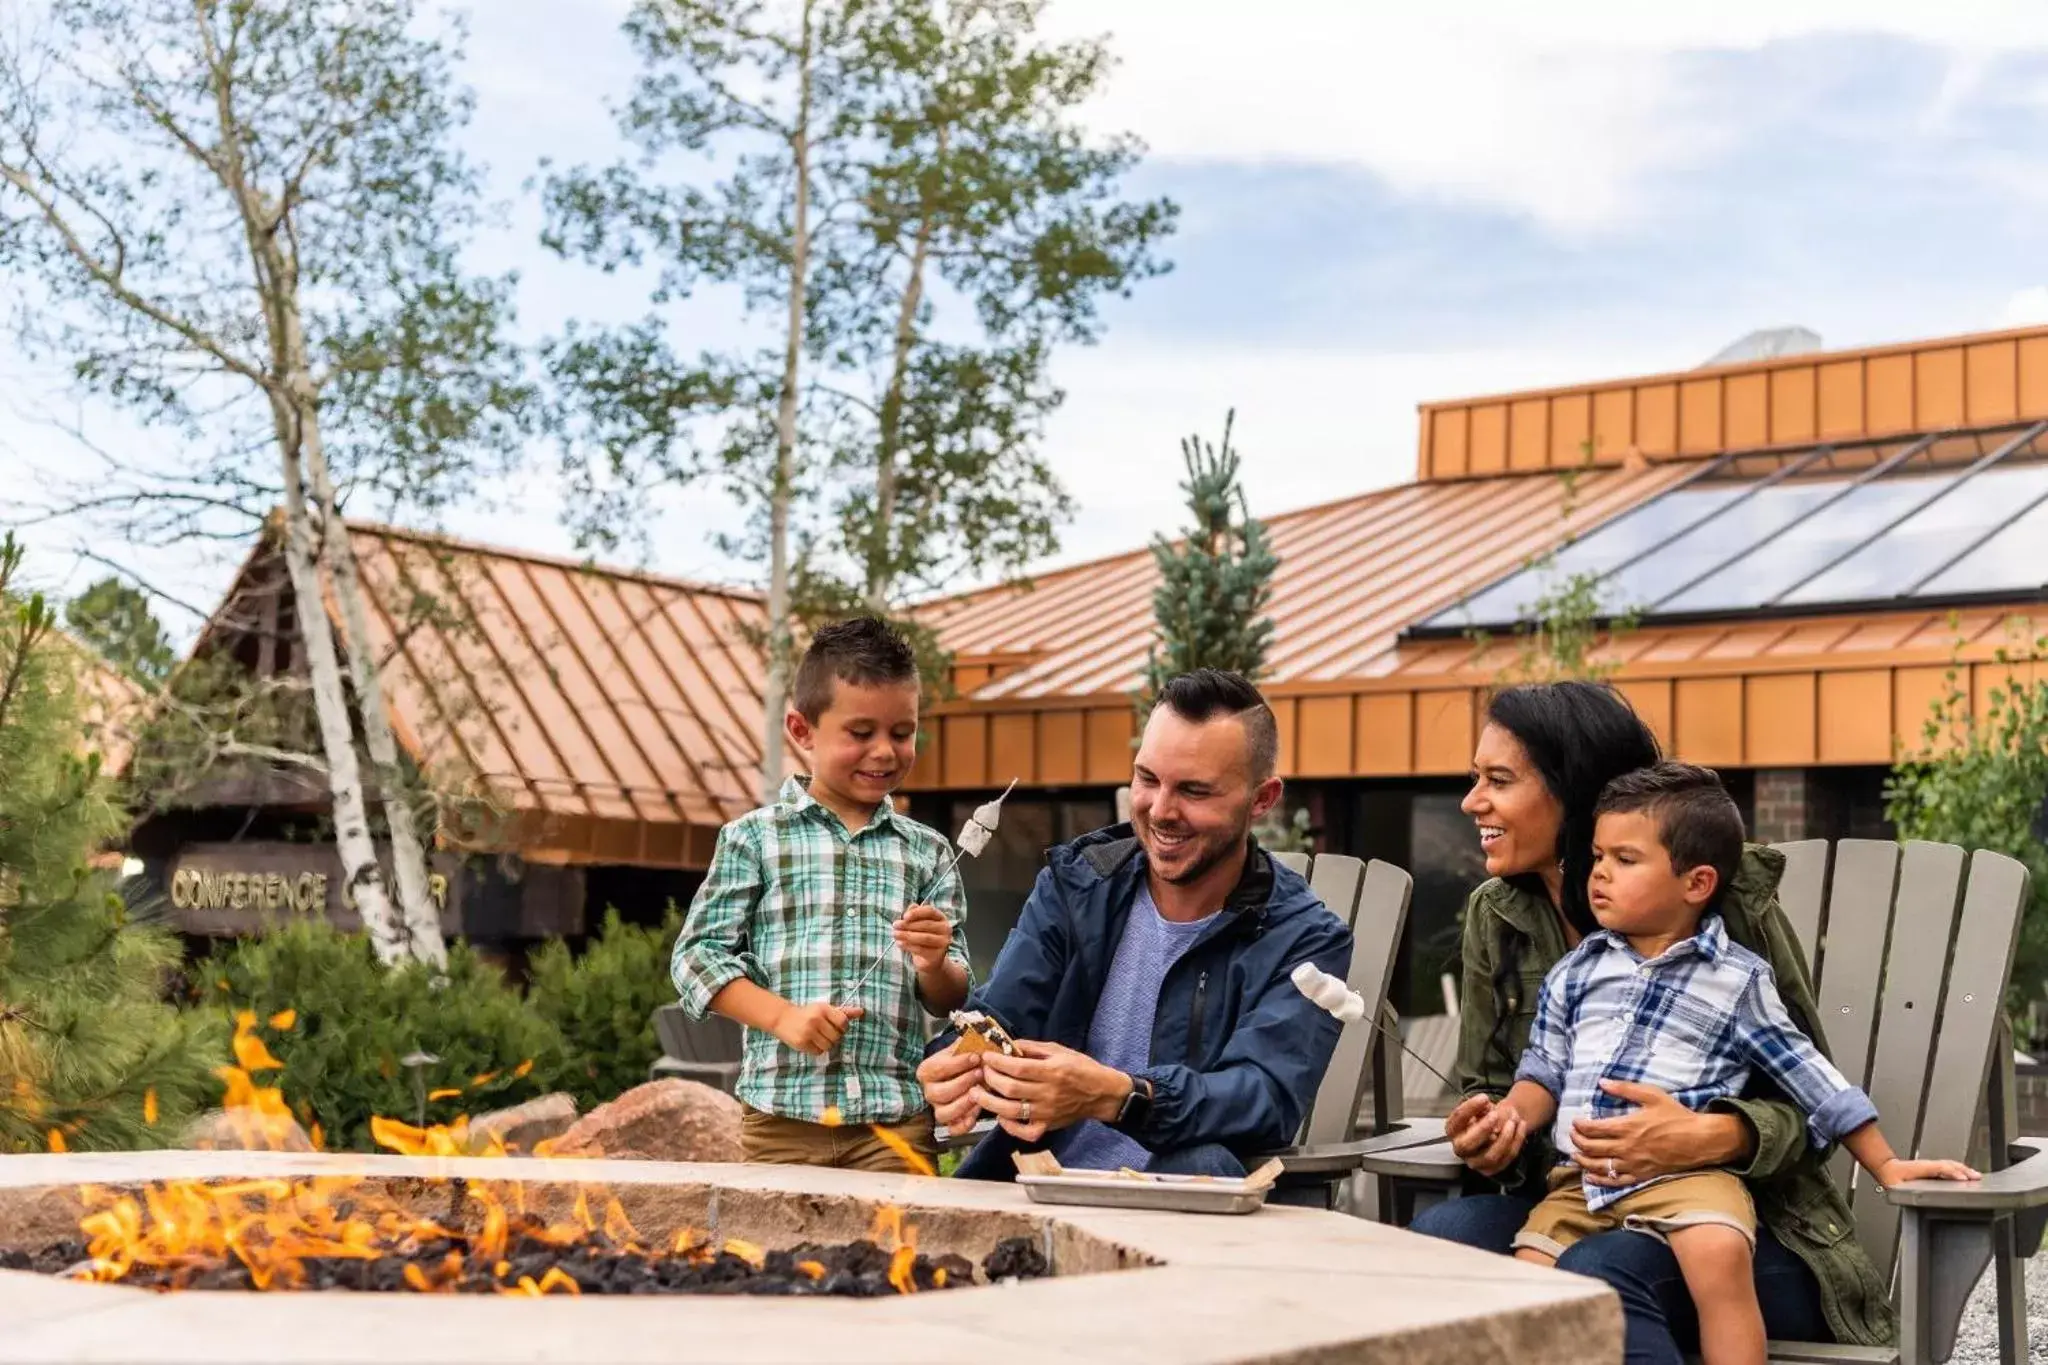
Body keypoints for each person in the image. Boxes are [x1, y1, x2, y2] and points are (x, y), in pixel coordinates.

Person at [1411, 680, 1900, 1364]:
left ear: (1572, 791)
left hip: (1743, 1227)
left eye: (1498, 779)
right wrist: (1495, 1130)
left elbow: (1806, 1091)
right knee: (1441, 1237)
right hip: (1581, 1193)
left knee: (1604, 1269)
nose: (1472, 802)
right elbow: (1503, 1085)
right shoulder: (1499, 914)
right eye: (1474, 778)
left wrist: (1707, 1134)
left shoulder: (1722, 903)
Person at [1477, 762, 1975, 1365]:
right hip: (1582, 1182)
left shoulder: (1736, 980)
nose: (1600, 872)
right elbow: (1543, 1071)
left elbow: (1810, 1075)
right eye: (1597, 855)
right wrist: (1510, 1115)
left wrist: (1888, 1165)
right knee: (1534, 1286)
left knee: (1719, 1257)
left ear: (1697, 883)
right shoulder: (1576, 973)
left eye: (1625, 859)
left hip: (1689, 1177)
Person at [916, 668, 1353, 1181]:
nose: (1161, 810)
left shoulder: (1304, 938)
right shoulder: (1077, 886)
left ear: (1262, 799)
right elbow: (1001, 1016)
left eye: (1194, 790)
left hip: (1186, 1202)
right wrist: (953, 1065)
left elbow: (1265, 1097)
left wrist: (1120, 1097)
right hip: (1034, 1181)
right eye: (1147, 779)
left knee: (1205, 1163)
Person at [670, 616, 970, 1171]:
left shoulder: (928, 852)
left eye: (901, 733)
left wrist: (933, 961)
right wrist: (782, 1017)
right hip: (781, 1123)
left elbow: (949, 996)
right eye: (861, 733)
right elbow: (695, 959)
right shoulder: (753, 839)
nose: (884, 751)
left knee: (898, 1254)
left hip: (895, 1127)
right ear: (802, 731)